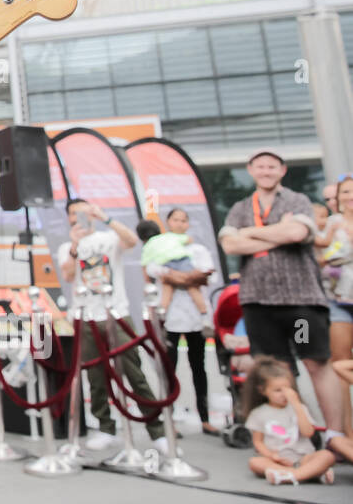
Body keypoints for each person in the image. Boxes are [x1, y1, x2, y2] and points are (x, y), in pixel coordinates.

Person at [219, 151, 345, 442]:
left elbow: (297, 234)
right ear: (251, 170)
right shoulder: (239, 207)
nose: (266, 171)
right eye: (260, 166)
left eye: (271, 166)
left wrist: (250, 233)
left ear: (282, 170)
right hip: (259, 305)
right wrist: (276, 230)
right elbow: (230, 246)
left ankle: (335, 434)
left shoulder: (297, 200)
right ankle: (298, 434)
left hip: (298, 305)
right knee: (278, 370)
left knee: (313, 361)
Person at [56, 199, 167, 453]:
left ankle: (156, 430)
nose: (78, 217)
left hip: (117, 313)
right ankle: (105, 427)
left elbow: (130, 241)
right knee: (95, 377)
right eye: (73, 214)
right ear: (68, 218)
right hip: (86, 317)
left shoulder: (108, 237)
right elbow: (69, 275)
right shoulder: (68, 247)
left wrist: (106, 218)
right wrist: (75, 244)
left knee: (134, 373)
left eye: (83, 212)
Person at [138, 210, 222, 435]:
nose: (180, 223)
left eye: (184, 219)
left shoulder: (197, 249)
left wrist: (179, 276)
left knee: (199, 367)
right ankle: (169, 419)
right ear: (168, 223)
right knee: (169, 368)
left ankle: (204, 417)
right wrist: (184, 276)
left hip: (195, 317)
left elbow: (208, 275)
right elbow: (155, 272)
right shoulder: (159, 246)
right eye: (175, 219)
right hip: (170, 318)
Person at [242, 357, 337, 485]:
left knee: (327, 455)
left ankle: (292, 475)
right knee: (255, 463)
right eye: (277, 390)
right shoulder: (258, 414)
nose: (284, 394)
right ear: (262, 390)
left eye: (287, 389)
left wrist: (297, 405)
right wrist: (271, 456)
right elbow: (258, 442)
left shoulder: (299, 407)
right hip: (279, 459)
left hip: (304, 457)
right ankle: (311, 473)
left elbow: (308, 432)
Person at [313, 176, 353, 438]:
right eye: (345, 192)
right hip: (338, 299)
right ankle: (347, 435)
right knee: (340, 365)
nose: (349, 196)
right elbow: (320, 253)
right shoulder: (332, 224)